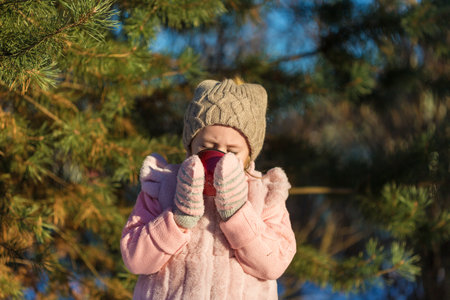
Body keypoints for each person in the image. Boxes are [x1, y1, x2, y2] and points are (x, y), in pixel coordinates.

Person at [120, 78, 296, 299]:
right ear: (190, 144)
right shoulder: (162, 186)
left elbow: (273, 265)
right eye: (208, 147)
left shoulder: (264, 195)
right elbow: (134, 259)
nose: (219, 157)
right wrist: (177, 219)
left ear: (249, 155)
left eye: (232, 151)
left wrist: (238, 214)